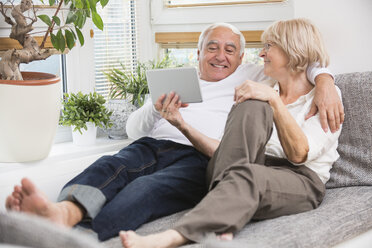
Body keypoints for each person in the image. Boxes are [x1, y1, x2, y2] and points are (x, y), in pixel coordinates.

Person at [5, 22, 343, 242]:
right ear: (198, 53)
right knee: (110, 167)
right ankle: (64, 211)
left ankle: (81, 236)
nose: (220, 55)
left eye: (230, 49)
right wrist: (156, 107)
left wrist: (325, 79)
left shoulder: (254, 76)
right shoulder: (176, 79)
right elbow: (133, 129)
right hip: (154, 144)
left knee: (146, 189)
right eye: (212, 47)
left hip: (200, 156)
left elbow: (302, 59)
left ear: (241, 58)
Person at [119, 18, 343, 248]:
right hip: (248, 168)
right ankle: (224, 213)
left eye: (269, 47)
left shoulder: (324, 97)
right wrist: (183, 126)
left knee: (248, 173)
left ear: (291, 50)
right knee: (250, 103)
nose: (262, 54)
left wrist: (317, 83)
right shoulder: (265, 84)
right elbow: (232, 148)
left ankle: (173, 236)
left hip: (301, 178)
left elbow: (299, 154)